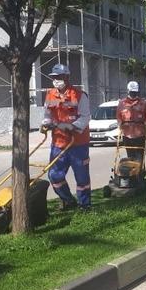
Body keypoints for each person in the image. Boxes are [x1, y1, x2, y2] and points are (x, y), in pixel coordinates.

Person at [42, 64, 91, 211]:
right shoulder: (50, 95)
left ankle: (85, 205)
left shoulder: (80, 95)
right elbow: (47, 115)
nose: (56, 80)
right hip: (58, 142)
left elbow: (85, 117)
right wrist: (45, 124)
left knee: (82, 178)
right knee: (54, 175)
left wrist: (71, 126)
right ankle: (68, 200)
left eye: (59, 77)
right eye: (54, 78)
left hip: (78, 143)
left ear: (67, 78)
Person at [116, 81, 146, 165]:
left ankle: (140, 175)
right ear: (128, 91)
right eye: (132, 92)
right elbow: (118, 116)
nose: (133, 94)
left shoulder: (143, 103)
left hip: (140, 135)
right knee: (130, 156)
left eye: (135, 92)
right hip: (127, 135)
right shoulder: (122, 103)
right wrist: (120, 123)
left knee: (139, 157)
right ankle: (130, 175)